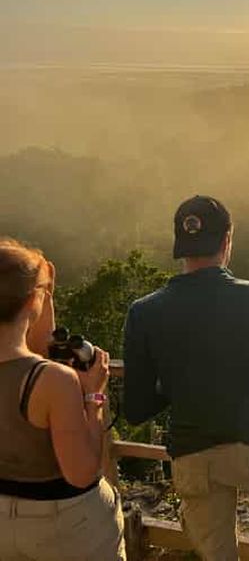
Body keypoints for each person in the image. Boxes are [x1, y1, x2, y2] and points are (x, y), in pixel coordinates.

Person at [124, 195, 249, 561]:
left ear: (180, 246)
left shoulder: (145, 313)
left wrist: (180, 378)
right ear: (227, 241)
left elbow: (136, 409)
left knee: (216, 553)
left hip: (194, 453)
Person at [0, 238, 125, 561]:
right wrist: (92, 395)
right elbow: (82, 473)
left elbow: (37, 346)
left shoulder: (40, 376)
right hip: (64, 524)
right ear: (31, 302)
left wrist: (43, 292)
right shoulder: (52, 381)